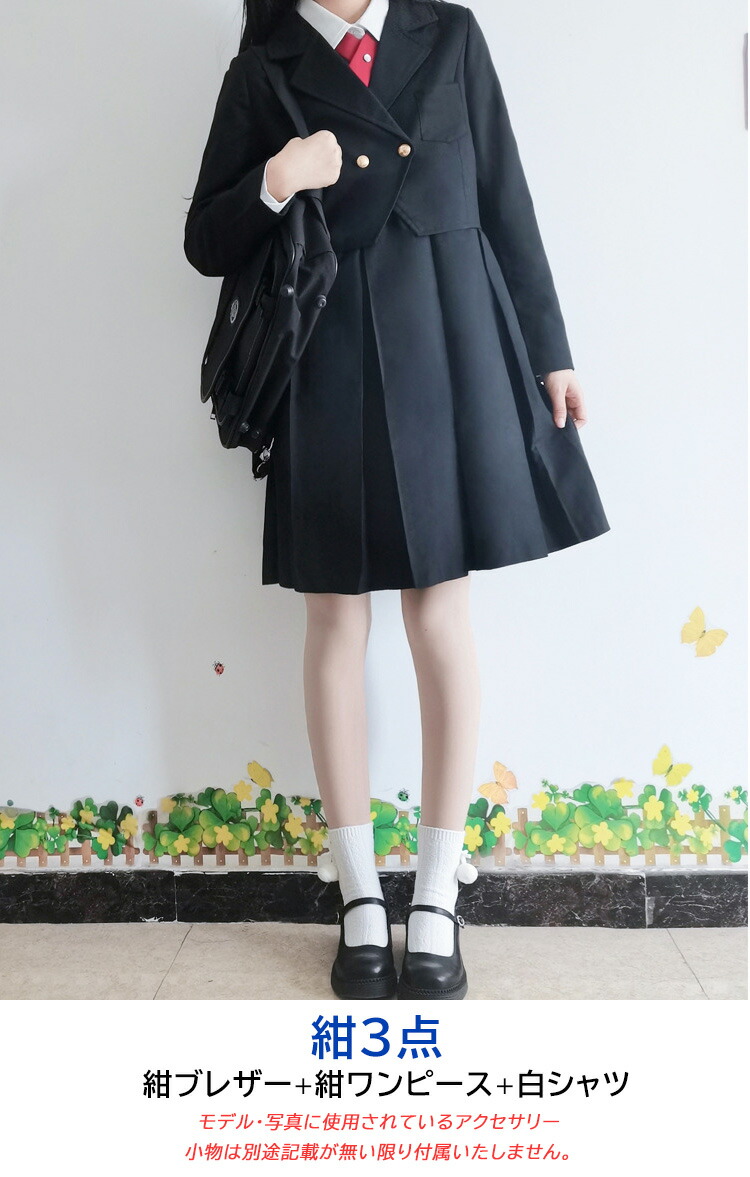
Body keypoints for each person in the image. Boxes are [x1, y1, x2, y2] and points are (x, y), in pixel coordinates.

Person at [184, 0, 610, 1000]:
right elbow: (205, 238)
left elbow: (505, 194)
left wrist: (550, 351)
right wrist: (280, 178)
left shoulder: (448, 35)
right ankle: (359, 893)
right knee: (335, 619)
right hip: (324, 363)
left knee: (441, 615)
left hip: (452, 353)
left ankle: (436, 891)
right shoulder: (265, 65)